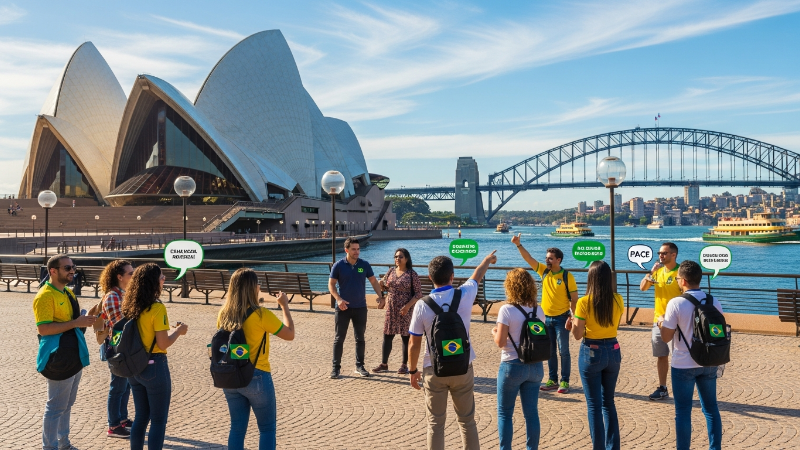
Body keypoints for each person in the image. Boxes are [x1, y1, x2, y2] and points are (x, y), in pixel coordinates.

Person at [408, 250, 497, 450]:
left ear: (430, 278)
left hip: (434, 368)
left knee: (435, 425)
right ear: (452, 276)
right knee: (467, 422)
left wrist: (413, 371)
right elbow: (477, 276)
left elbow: (414, 343)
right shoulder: (464, 294)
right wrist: (487, 260)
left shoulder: (422, 306)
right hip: (463, 366)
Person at [218, 268, 295, 450]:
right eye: (257, 283)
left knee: (237, 429)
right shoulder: (261, 314)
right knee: (267, 429)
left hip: (230, 377)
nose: (259, 286)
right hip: (257, 375)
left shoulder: (224, 314)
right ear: (252, 288)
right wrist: (285, 306)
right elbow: (289, 334)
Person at [657, 261, 723, 450]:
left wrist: (662, 322)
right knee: (711, 409)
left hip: (683, 364)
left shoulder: (676, 303)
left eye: (678, 278)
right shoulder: (713, 301)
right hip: (709, 361)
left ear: (684, 281)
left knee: (683, 412)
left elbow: (666, 337)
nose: (677, 281)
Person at [34, 254, 98, 450]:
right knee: (55, 407)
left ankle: (64, 444)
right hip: (58, 357)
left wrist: (83, 318)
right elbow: (43, 329)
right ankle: (50, 447)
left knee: (67, 404)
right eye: (67, 268)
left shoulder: (68, 293)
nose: (72, 271)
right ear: (53, 271)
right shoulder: (45, 295)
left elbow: (72, 323)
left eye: (73, 267)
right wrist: (75, 322)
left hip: (74, 354)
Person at [122, 263, 188, 450]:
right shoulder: (157, 308)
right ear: (153, 282)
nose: (164, 279)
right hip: (154, 366)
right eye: (161, 277)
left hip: (134, 366)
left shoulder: (130, 305)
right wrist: (178, 331)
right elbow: (163, 343)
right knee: (158, 420)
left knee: (141, 416)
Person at [512, 234, 578, 394]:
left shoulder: (567, 276)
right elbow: (529, 259)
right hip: (545, 318)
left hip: (562, 318)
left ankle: (565, 381)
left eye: (550, 258)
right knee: (549, 351)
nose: (547, 260)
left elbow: (575, 299)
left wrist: (572, 317)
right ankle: (552, 380)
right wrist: (518, 245)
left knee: (564, 351)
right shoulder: (544, 272)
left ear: (559, 260)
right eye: (546, 258)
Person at [570, 261, 624, 450]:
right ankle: (613, 446)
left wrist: (572, 324)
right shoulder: (618, 299)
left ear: (591, 278)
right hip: (613, 349)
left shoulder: (584, 302)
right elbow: (613, 326)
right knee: (608, 402)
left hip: (591, 350)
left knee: (594, 405)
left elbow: (577, 335)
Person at [492, 268, 545, 450]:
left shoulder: (506, 310)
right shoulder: (539, 310)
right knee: (531, 414)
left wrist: (494, 332)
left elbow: (500, 342)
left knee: (505, 413)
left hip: (512, 365)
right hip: (535, 365)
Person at [328, 237, 384, 379]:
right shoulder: (338, 265)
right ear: (346, 250)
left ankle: (360, 366)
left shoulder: (364, 265)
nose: (357, 252)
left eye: (358, 249)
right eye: (354, 249)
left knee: (360, 338)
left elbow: (373, 281)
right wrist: (338, 299)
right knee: (339, 338)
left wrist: (381, 296)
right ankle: (336, 368)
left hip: (360, 307)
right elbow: (331, 285)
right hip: (343, 308)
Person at [91, 259, 134, 439]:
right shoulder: (112, 296)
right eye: (130, 273)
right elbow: (120, 323)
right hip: (116, 347)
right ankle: (113, 425)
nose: (134, 276)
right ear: (119, 276)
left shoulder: (124, 293)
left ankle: (122, 418)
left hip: (125, 346)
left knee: (126, 386)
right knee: (117, 386)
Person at [639, 242, 681, 400]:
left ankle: (681, 388)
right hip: (658, 321)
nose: (660, 256)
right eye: (659, 253)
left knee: (679, 356)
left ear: (673, 255)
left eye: (664, 253)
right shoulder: (658, 271)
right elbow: (643, 288)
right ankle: (663, 388)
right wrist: (651, 273)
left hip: (677, 322)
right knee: (661, 356)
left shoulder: (680, 273)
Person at [373, 248, 423, 374]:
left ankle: (404, 365)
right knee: (387, 336)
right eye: (396, 256)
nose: (397, 259)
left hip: (405, 310)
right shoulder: (390, 271)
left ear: (406, 259)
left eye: (400, 257)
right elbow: (385, 286)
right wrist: (381, 285)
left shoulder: (412, 274)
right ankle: (384, 364)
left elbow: (418, 294)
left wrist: (407, 306)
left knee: (405, 337)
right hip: (391, 309)